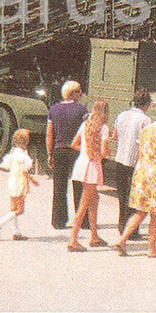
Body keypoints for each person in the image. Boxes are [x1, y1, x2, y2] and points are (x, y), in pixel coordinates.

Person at [116, 101, 156, 258]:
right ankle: (152, 248)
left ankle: (122, 239)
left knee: (141, 210)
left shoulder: (146, 129)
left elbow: (139, 152)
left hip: (142, 172)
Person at [66, 99, 110, 252]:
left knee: (93, 199)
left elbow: (74, 144)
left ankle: (94, 235)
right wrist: (99, 153)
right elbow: (104, 152)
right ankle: (73, 240)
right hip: (92, 166)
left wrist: (86, 150)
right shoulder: (103, 128)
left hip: (81, 163)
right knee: (84, 203)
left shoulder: (85, 124)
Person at [47, 81, 89, 230]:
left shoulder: (53, 109)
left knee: (59, 186)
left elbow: (50, 134)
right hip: (76, 151)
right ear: (72, 93)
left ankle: (58, 221)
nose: (81, 94)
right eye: (79, 91)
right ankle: (82, 220)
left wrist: (49, 153)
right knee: (79, 186)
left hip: (59, 150)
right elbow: (87, 132)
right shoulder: (82, 110)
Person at [111, 89, 152, 233]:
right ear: (147, 104)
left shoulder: (121, 115)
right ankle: (131, 230)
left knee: (122, 196)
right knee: (134, 198)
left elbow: (115, 136)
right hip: (134, 162)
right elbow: (146, 142)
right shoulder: (145, 120)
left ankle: (122, 225)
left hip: (120, 158)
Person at [0, 128, 41, 241]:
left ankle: (16, 232)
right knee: (20, 210)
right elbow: (24, 171)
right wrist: (28, 185)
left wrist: (31, 180)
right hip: (20, 182)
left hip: (13, 181)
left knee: (13, 208)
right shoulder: (23, 155)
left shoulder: (14, 152)